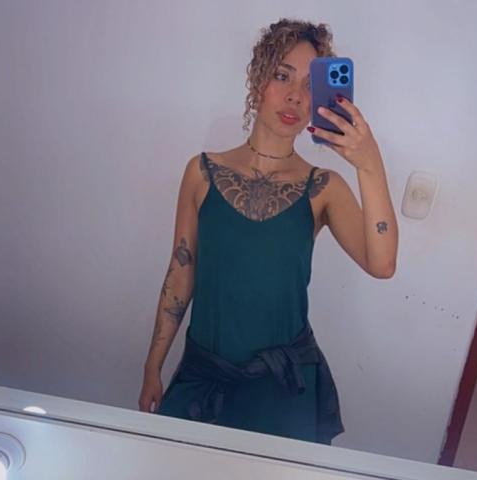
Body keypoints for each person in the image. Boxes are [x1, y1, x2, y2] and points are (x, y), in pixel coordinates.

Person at [138, 18, 398, 444]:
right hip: (204, 377)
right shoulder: (201, 172)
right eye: (282, 76)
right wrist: (153, 365)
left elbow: (382, 264)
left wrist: (369, 163)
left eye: (310, 86)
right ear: (258, 79)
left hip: (282, 385)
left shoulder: (324, 188)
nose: (296, 95)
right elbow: (181, 274)